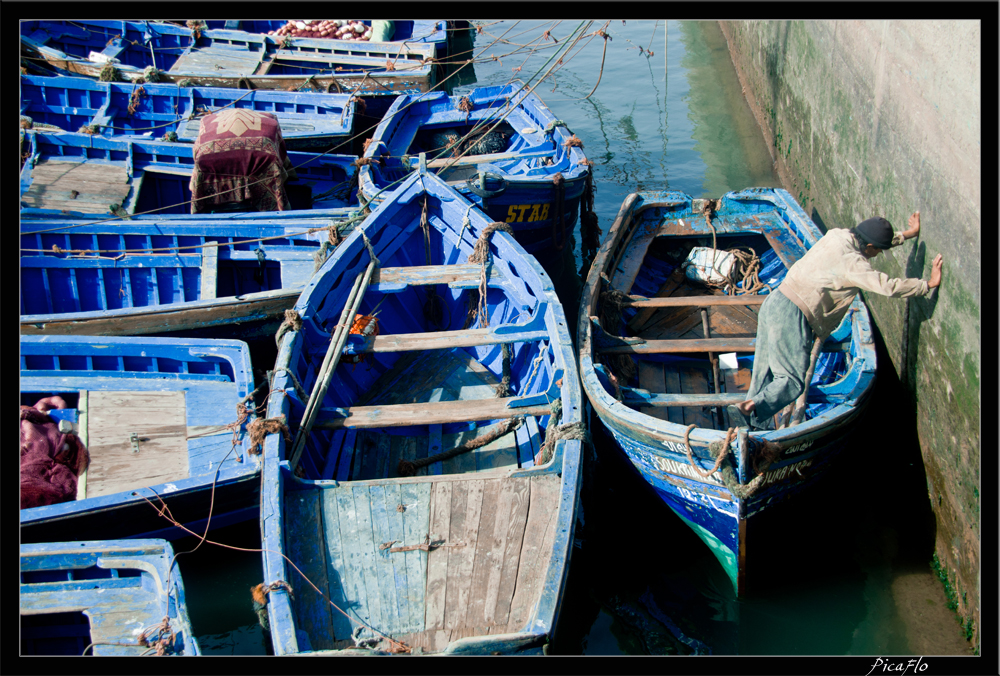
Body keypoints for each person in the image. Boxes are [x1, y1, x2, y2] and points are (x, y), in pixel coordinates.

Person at [729, 211, 943, 430]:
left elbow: (872, 239)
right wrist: (927, 285)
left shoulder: (838, 235)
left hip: (774, 301)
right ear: (869, 246)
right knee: (791, 382)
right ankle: (749, 406)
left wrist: (907, 235)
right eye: (878, 250)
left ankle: (751, 425)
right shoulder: (854, 265)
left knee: (763, 373)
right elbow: (888, 286)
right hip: (793, 316)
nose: (877, 254)